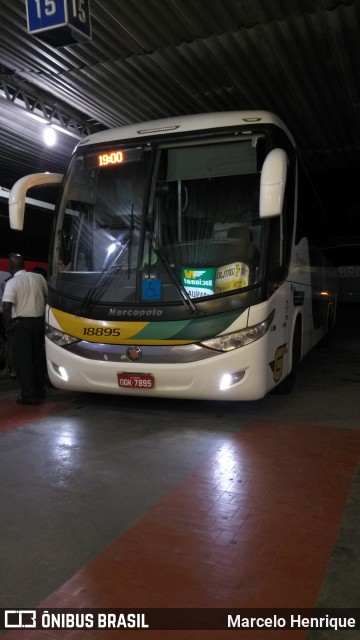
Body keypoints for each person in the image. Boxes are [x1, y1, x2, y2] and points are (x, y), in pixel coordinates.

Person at [2, 254, 48, 405]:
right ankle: (40, 391)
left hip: (21, 325)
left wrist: (8, 327)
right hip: (39, 322)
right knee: (38, 358)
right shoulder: (39, 278)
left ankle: (28, 395)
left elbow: (7, 306)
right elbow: (47, 297)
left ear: (11, 266)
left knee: (24, 361)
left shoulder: (13, 282)